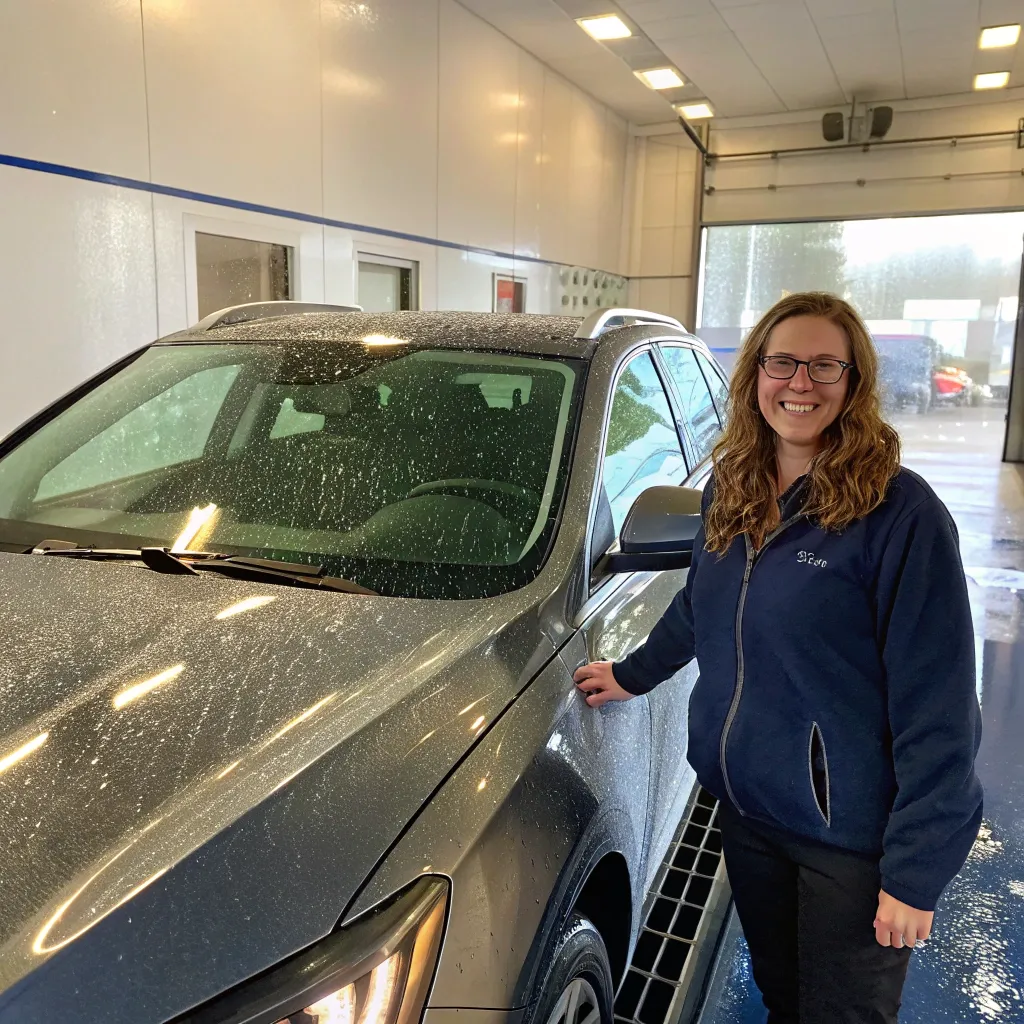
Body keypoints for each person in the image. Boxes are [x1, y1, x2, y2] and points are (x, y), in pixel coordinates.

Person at [573, 292, 982, 1023]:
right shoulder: (733, 486)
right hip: (750, 807)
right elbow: (704, 605)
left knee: (843, 1012)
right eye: (783, 362)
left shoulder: (899, 516)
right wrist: (631, 675)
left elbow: (941, 706)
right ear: (755, 374)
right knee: (782, 992)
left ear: (853, 383)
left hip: (847, 837)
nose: (801, 383)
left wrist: (916, 872)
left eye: (825, 365)